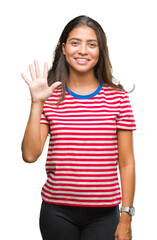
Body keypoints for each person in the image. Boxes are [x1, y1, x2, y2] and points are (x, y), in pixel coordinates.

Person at [21, 15, 136, 240]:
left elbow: (127, 161)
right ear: (63, 48)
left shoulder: (118, 99)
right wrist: (37, 103)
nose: (83, 50)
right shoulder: (50, 97)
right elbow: (30, 154)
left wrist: (126, 216)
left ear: (100, 51)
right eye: (75, 43)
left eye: (91, 44)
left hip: (104, 215)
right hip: (56, 212)